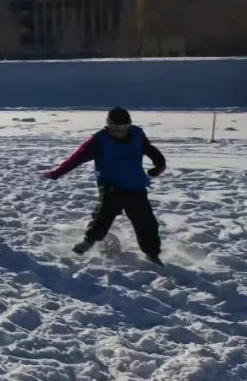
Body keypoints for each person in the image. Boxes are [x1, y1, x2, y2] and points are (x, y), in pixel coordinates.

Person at [44, 107, 167, 265]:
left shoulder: (137, 135)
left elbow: (150, 150)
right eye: (115, 129)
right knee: (105, 213)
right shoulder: (98, 142)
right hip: (111, 186)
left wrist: (159, 165)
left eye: (123, 128)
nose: (119, 133)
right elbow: (75, 160)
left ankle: (152, 254)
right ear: (108, 125)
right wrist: (55, 173)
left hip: (136, 186)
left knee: (146, 222)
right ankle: (88, 241)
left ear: (129, 126)